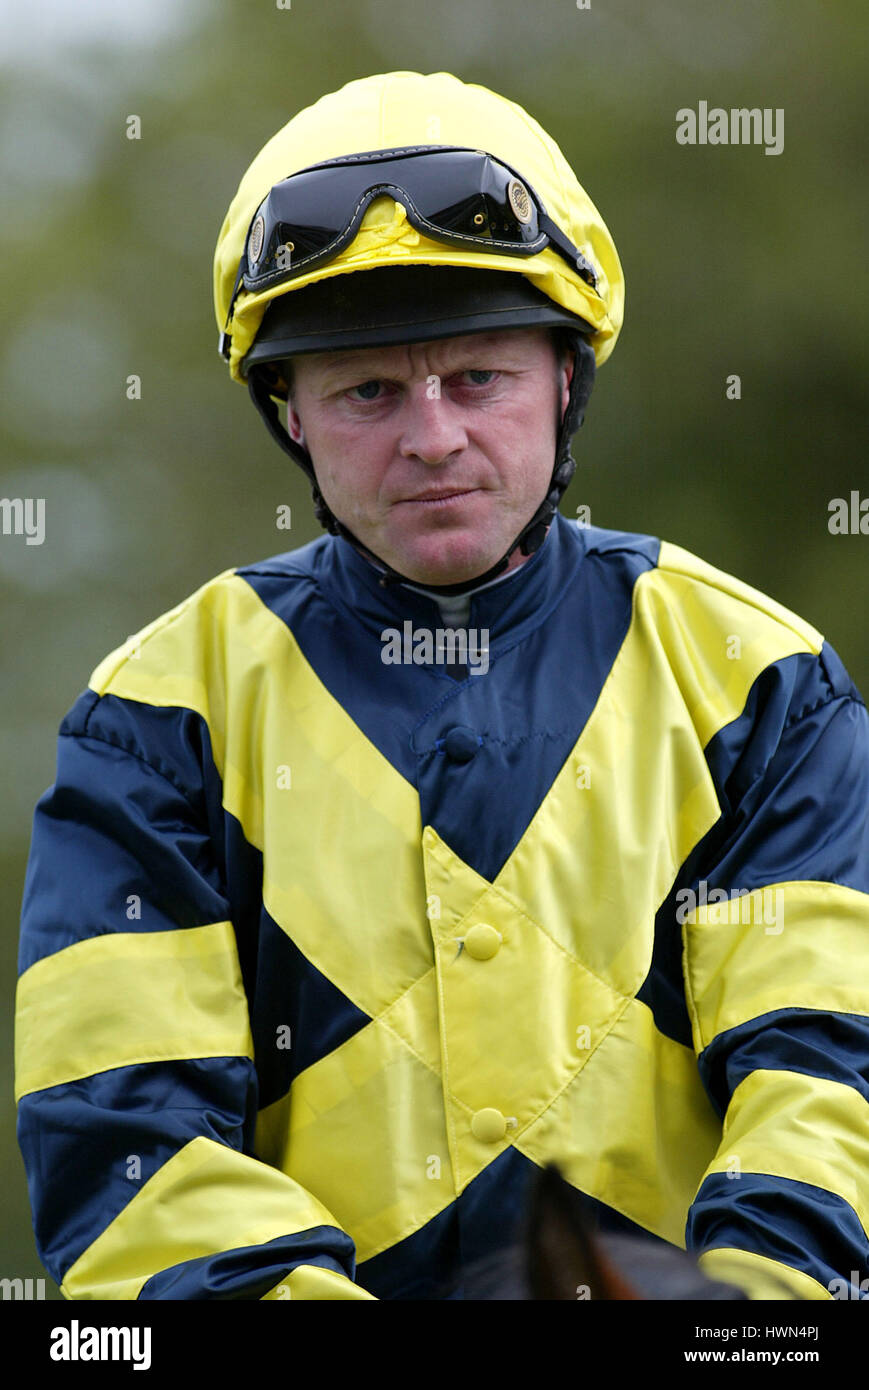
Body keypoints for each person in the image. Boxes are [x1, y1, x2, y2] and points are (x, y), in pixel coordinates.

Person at [15, 70, 869, 1302]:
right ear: (289, 415)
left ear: (564, 380)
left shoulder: (759, 680)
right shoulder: (154, 717)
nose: (430, 437)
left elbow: (827, 1074)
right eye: (367, 390)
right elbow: (126, 1145)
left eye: (478, 379)